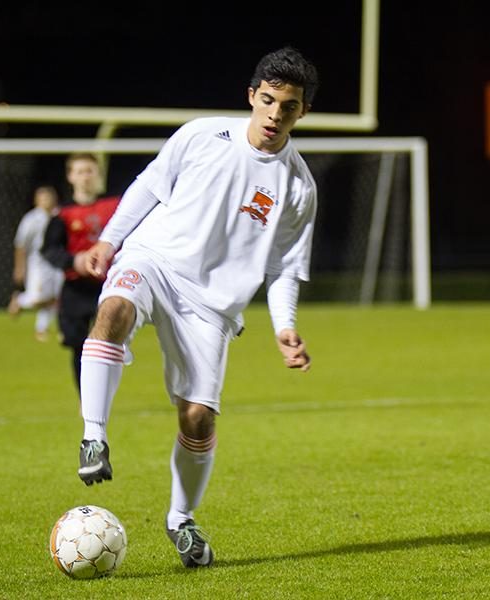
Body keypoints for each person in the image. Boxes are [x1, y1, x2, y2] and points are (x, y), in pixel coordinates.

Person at [71, 46, 319, 569]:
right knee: (114, 309)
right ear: (252, 96)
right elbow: (148, 188)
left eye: (288, 107)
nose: (275, 115)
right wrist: (111, 242)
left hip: (211, 306)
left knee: (199, 418)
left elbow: (282, 270)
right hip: (155, 260)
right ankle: (94, 437)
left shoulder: (298, 187)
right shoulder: (203, 134)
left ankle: (180, 518)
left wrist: (286, 328)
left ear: (303, 112)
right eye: (268, 101)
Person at [41, 153, 120, 389]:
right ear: (70, 176)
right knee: (79, 345)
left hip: (111, 284)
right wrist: (74, 261)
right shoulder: (62, 215)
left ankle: (104, 392)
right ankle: (85, 396)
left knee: (111, 343)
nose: (86, 177)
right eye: (80, 171)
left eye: (90, 171)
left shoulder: (115, 205)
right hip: (77, 287)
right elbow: (50, 250)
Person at [8, 185, 65, 341]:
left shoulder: (59, 215)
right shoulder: (31, 219)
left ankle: (43, 329)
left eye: (49, 197)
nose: (47, 201)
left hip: (58, 261)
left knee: (56, 297)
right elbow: (20, 244)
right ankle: (20, 300)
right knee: (38, 298)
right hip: (38, 262)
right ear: (36, 200)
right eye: (43, 198)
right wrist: (20, 267)